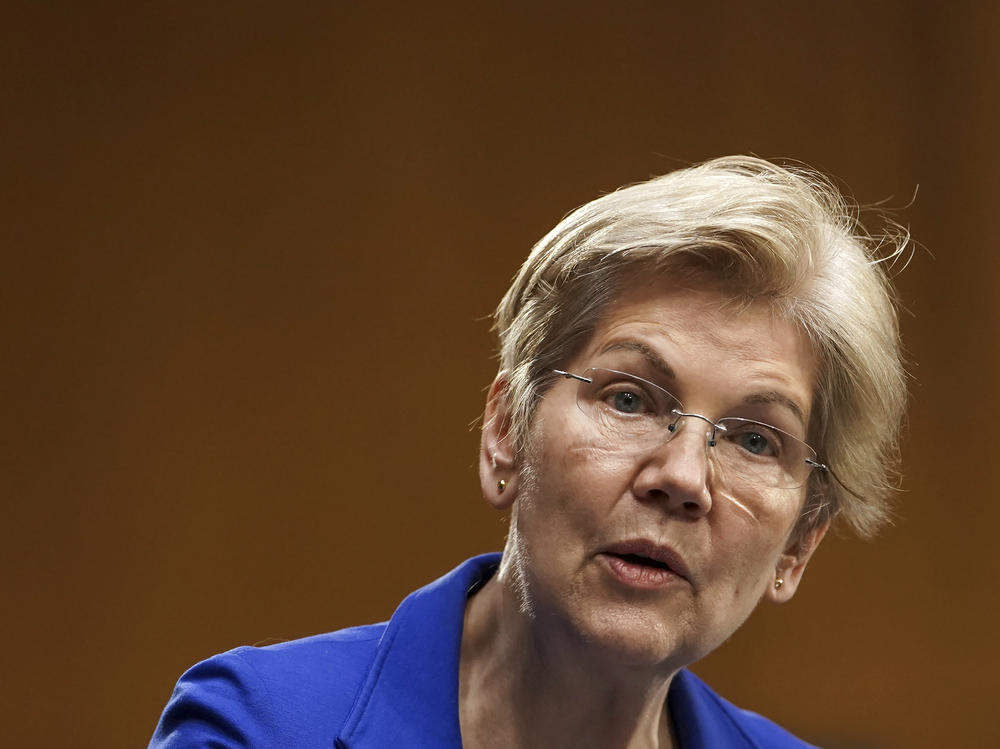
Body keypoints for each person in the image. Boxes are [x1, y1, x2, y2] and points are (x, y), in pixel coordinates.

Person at [149, 156, 907, 748]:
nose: (681, 476)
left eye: (753, 439)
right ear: (506, 429)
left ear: (799, 544)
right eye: (630, 398)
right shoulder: (259, 728)